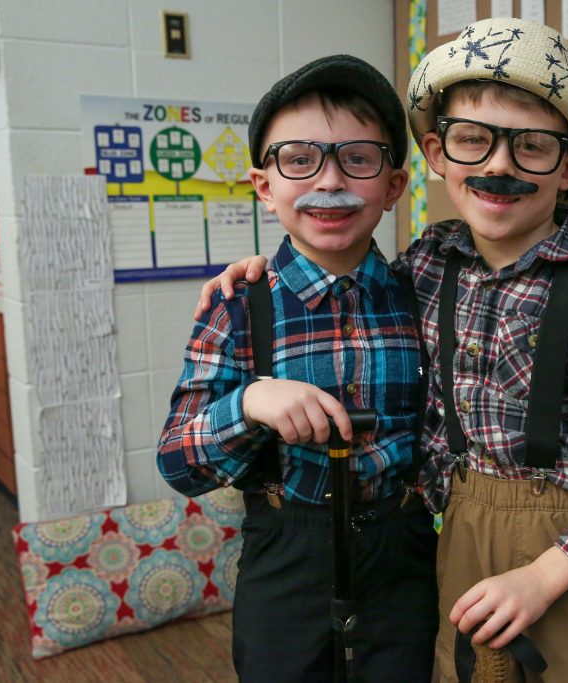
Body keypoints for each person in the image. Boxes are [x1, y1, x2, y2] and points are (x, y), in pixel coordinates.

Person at [196, 19, 568, 683]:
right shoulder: (425, 267)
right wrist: (263, 273)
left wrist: (544, 577)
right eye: (473, 140)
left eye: (532, 146)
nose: (498, 165)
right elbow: (344, 282)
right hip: (451, 540)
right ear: (436, 151)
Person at [157, 54, 438, 683]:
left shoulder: (422, 292)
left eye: (358, 159)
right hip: (286, 550)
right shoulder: (238, 304)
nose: (329, 182)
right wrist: (247, 404)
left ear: (393, 186)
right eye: (299, 159)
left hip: (401, 552)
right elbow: (178, 463)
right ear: (264, 185)